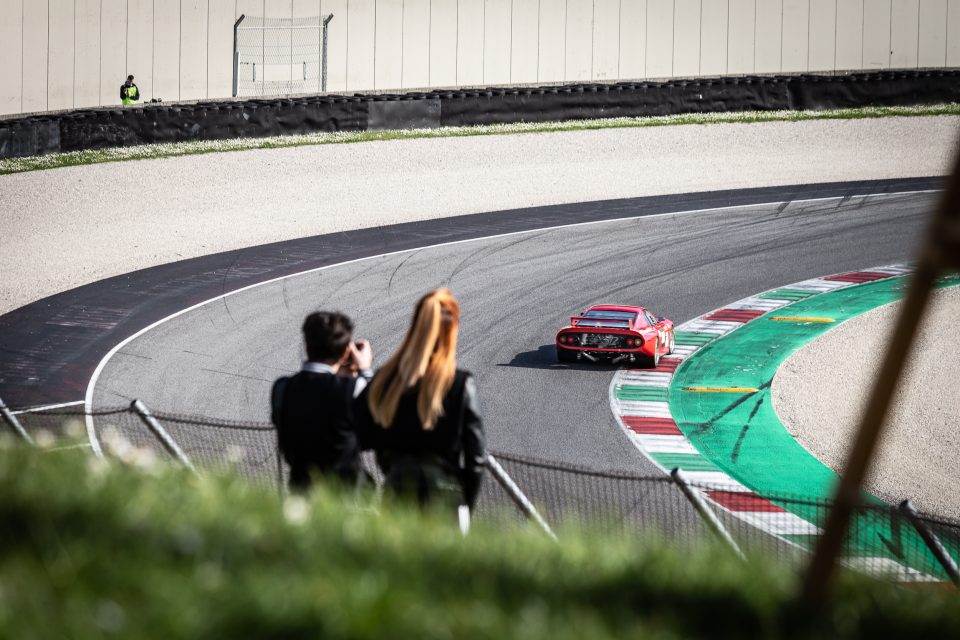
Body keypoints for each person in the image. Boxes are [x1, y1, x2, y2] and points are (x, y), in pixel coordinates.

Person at [355, 289, 485, 515]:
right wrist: (465, 506)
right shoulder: (461, 385)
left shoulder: (384, 381)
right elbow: (476, 460)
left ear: (414, 326)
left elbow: (356, 434)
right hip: (445, 499)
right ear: (451, 331)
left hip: (395, 492)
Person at [271, 311, 373, 492]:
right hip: (347, 492)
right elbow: (379, 414)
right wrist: (365, 369)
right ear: (346, 352)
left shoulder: (282, 388)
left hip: (301, 489)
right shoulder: (352, 388)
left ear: (307, 345)